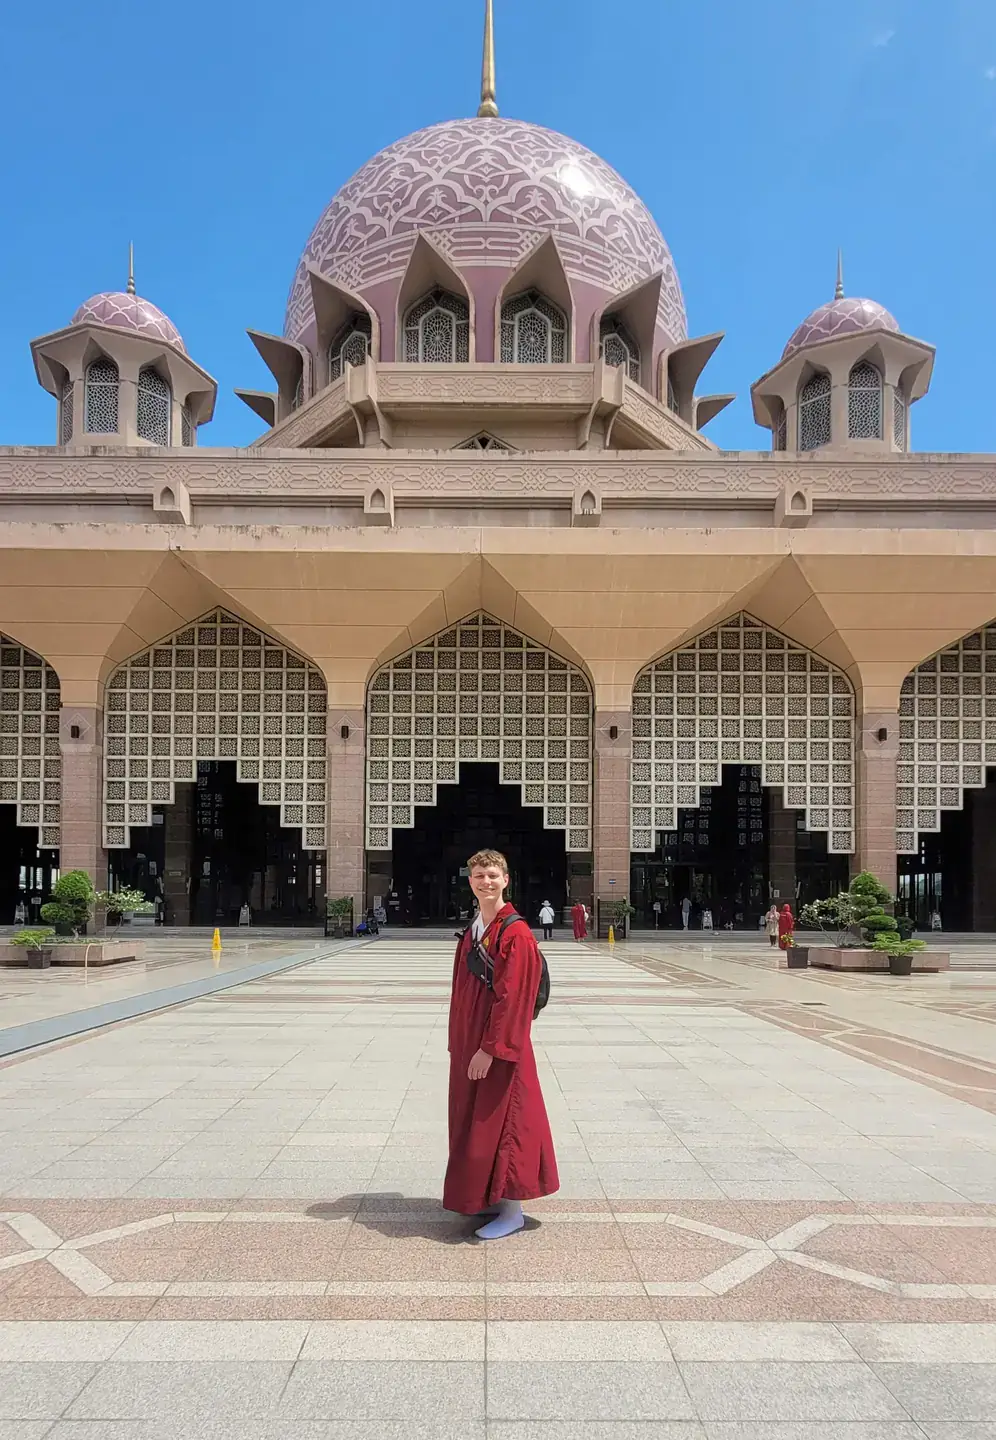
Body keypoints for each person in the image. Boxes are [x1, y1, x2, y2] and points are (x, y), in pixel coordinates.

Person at [444, 849, 559, 1239]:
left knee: (504, 1123)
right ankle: (489, 1196)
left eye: (492, 875)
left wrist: (490, 1049)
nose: (485, 882)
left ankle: (512, 1210)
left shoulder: (516, 933)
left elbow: (514, 1000)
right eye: (478, 876)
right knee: (475, 1124)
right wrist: (460, 1044)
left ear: (506, 880)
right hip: (470, 1044)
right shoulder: (477, 927)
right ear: (470, 881)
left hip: (498, 1050)